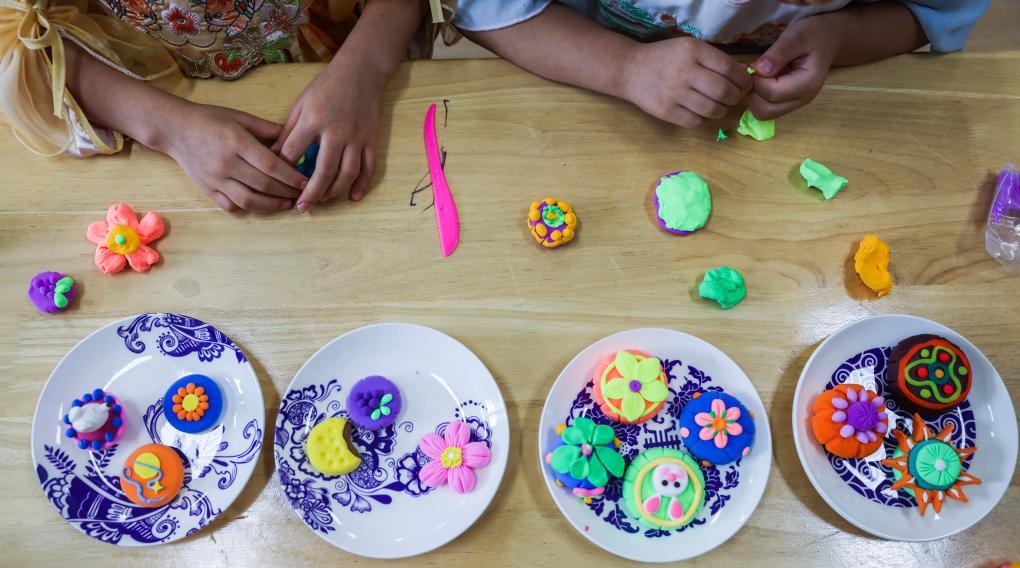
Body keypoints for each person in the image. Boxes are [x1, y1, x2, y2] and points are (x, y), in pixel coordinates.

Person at [0, 0, 437, 212]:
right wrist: (167, 127)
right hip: (141, 89)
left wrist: (363, 70)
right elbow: (14, 30)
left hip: (354, 57)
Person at [452, 1, 989, 129]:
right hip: (580, 77)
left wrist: (841, 31)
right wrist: (624, 67)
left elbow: (931, 13)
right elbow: (490, 10)